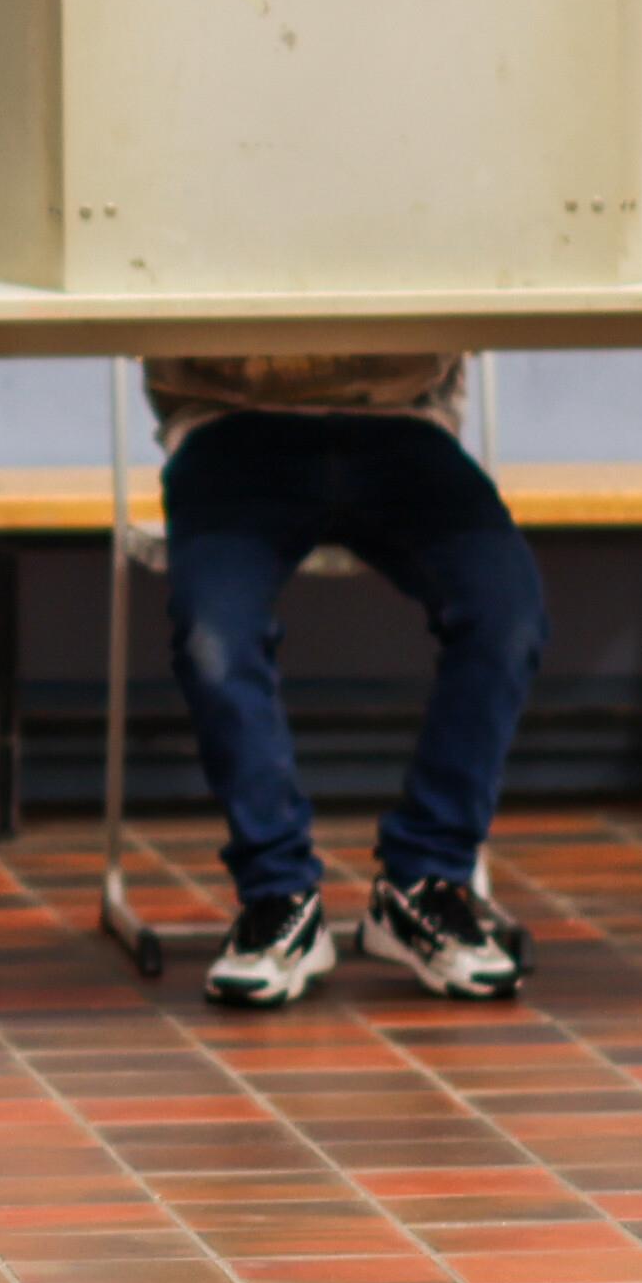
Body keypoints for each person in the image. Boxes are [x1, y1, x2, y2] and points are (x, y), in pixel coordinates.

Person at [151, 348, 543, 1010]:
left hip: (400, 422)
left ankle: (426, 884)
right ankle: (278, 894)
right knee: (212, 637)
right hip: (231, 423)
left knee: (508, 613)